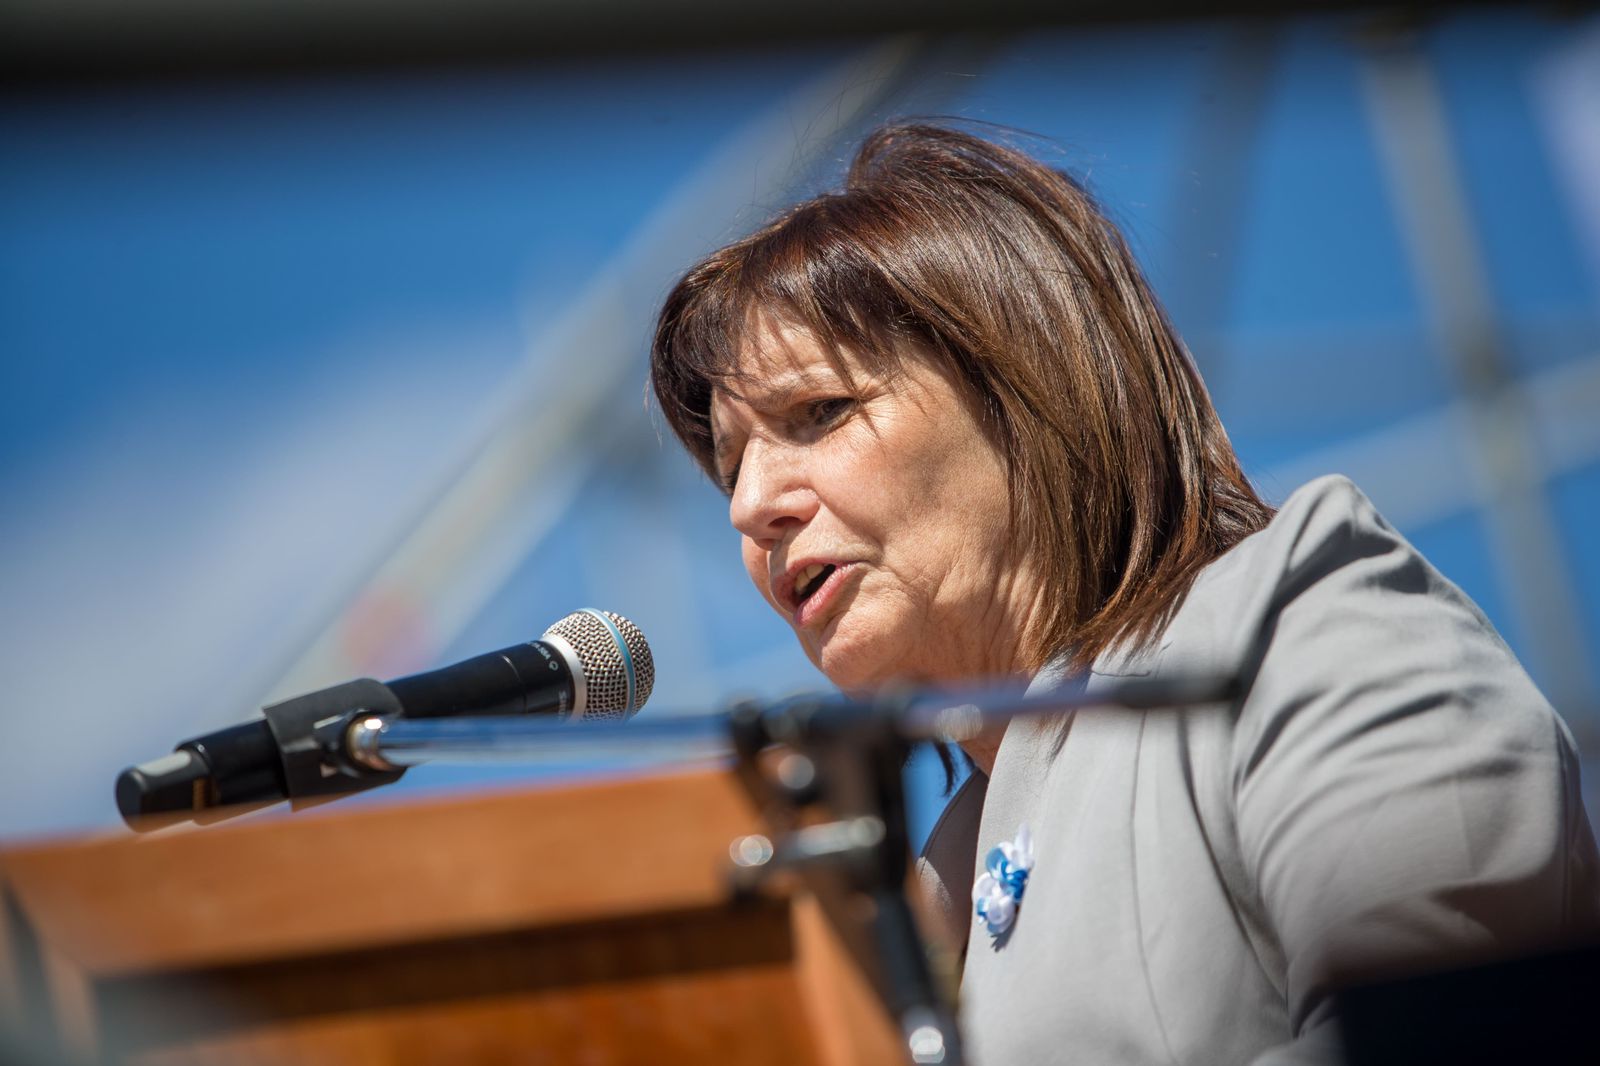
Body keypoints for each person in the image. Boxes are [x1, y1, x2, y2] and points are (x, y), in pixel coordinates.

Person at [649, 123, 1599, 1064]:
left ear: (1024, 388)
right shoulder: (899, 910)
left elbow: (1461, 1040)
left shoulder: (1293, 623)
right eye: (730, 470)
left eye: (820, 412)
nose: (752, 506)